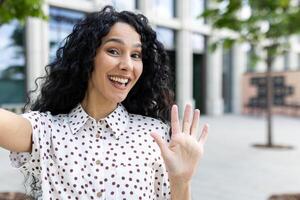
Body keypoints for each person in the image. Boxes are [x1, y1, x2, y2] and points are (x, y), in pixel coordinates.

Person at [0, 5, 209, 200]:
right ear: (87, 57)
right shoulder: (47, 131)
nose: (127, 65)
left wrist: (182, 181)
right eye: (113, 51)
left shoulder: (157, 137)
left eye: (136, 55)